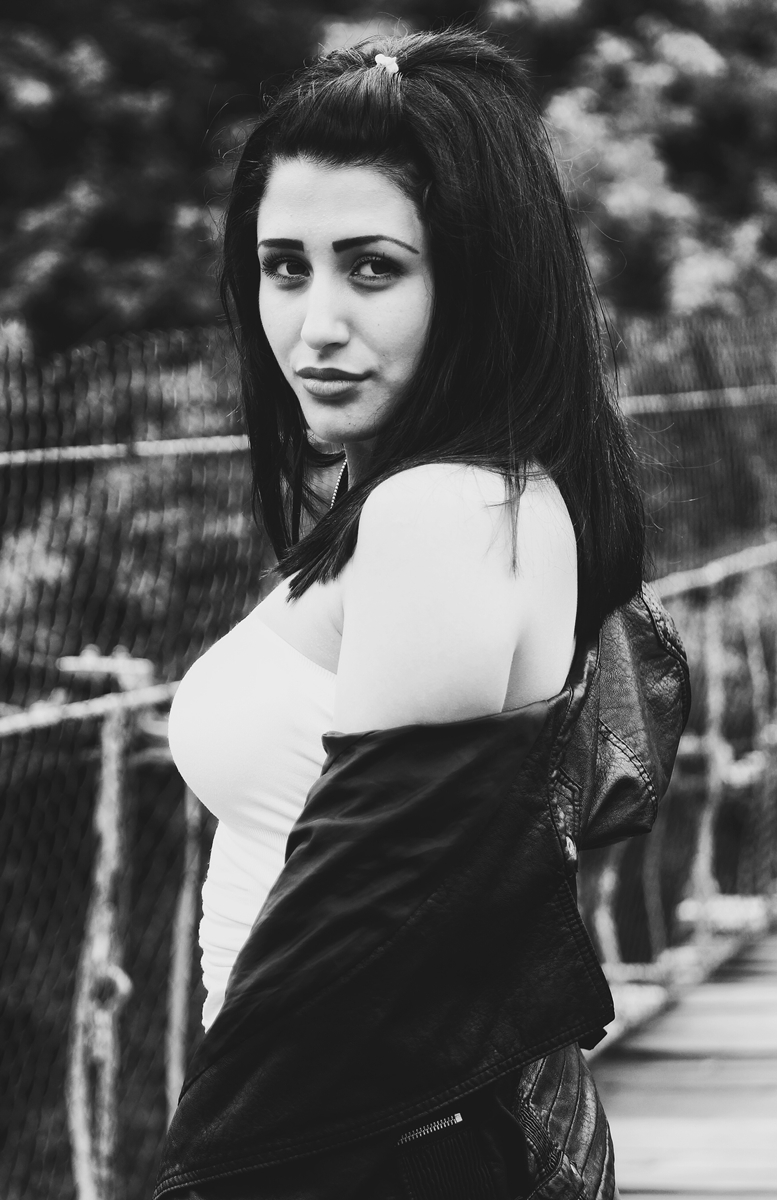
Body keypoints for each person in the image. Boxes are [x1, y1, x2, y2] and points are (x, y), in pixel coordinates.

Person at [157, 28, 689, 1200]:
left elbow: (362, 926)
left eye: (373, 269)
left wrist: (199, 1174)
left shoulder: (443, 513)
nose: (315, 325)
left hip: (367, 1145)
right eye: (284, 267)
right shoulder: (472, 495)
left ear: (478, 282)